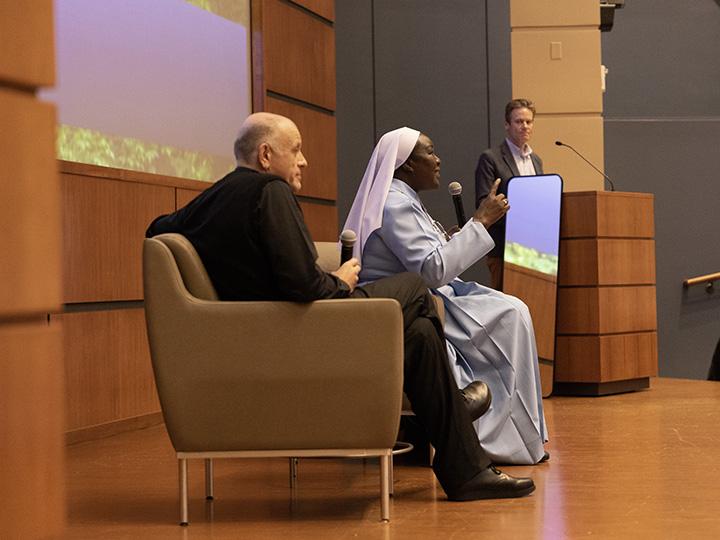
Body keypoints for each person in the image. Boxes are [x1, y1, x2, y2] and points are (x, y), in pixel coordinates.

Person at [146, 112, 535, 500]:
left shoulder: (217, 196)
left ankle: (466, 471)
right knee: (417, 287)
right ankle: (455, 405)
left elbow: (157, 229)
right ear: (265, 155)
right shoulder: (271, 192)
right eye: (295, 150)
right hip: (308, 327)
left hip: (271, 328)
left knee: (418, 334)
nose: (303, 161)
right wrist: (342, 280)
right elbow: (304, 284)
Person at [345, 127, 548, 465]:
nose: (438, 160)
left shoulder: (403, 197)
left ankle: (517, 437)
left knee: (513, 310)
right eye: (430, 152)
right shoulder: (395, 204)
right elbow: (433, 270)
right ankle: (492, 439)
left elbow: (429, 258)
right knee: (512, 314)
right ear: (407, 165)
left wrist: (457, 237)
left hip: (433, 297)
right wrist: (481, 222)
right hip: (415, 307)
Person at [475, 98, 544, 290]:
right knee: (505, 303)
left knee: (534, 300)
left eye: (529, 122)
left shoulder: (536, 160)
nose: (524, 126)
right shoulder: (491, 158)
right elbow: (484, 204)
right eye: (518, 121)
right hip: (503, 248)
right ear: (507, 124)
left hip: (534, 248)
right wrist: (521, 221)